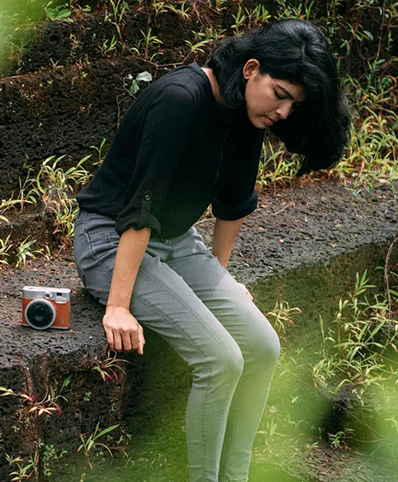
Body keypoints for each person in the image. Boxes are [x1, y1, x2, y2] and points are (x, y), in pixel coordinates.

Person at [71, 19, 350, 482]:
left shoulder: (247, 115)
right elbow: (141, 209)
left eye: (292, 105)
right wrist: (117, 307)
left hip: (177, 243)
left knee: (263, 347)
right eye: (279, 94)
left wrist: (217, 283)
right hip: (110, 241)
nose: (282, 112)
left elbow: (233, 205)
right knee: (221, 359)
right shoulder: (179, 99)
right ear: (251, 69)